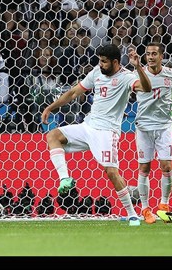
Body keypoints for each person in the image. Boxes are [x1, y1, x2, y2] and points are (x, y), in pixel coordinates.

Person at [41, 44, 152, 226]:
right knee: (53, 135)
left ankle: (132, 214)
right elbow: (73, 92)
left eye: (104, 62)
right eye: (99, 61)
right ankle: (65, 179)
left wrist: (138, 66)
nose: (100, 65)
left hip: (107, 132)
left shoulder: (126, 77)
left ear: (115, 62)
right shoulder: (96, 73)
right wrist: (50, 108)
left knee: (111, 172)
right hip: (88, 126)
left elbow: (146, 88)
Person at [134, 42, 172, 224]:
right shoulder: (138, 74)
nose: (150, 57)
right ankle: (145, 208)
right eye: (148, 54)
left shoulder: (171, 74)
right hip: (143, 127)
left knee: (166, 167)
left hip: (164, 126)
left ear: (161, 56)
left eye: (154, 54)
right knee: (144, 168)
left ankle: (164, 205)